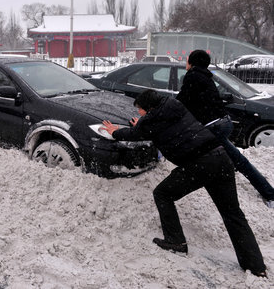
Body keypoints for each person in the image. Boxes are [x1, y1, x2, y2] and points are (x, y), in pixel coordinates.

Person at [101, 90, 266, 277]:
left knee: (163, 194)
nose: (138, 113)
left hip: (198, 165)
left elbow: (134, 133)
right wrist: (142, 125)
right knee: (233, 213)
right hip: (220, 158)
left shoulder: (150, 121)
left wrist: (115, 131)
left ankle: (175, 241)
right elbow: (157, 128)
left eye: (139, 109)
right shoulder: (174, 106)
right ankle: (256, 266)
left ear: (148, 108)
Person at [176, 49, 274, 208]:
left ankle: (269, 193)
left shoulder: (193, 76)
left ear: (192, 62)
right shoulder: (206, 77)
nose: (185, 62)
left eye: (187, 60)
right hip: (224, 122)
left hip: (213, 126)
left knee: (238, 161)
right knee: (229, 158)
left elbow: (181, 100)